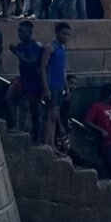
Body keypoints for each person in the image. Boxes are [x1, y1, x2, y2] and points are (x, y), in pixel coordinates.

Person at [5, 20, 44, 142]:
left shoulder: (36, 46)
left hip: (35, 83)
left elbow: (31, 62)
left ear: (30, 32)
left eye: (22, 31)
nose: (19, 34)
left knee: (35, 111)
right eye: (18, 31)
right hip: (23, 80)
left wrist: (16, 53)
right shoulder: (20, 45)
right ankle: (12, 127)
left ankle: (37, 138)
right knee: (9, 97)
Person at [84, 83, 111, 185]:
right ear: (108, 95)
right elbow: (87, 121)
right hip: (107, 143)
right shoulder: (97, 107)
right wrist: (101, 130)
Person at [42, 21, 71, 150]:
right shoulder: (50, 47)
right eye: (64, 34)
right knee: (51, 115)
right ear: (57, 33)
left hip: (59, 86)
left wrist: (66, 87)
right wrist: (46, 88)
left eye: (68, 35)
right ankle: (48, 143)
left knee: (54, 115)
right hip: (51, 85)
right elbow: (43, 68)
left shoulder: (62, 49)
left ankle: (51, 144)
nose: (66, 37)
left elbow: (63, 69)